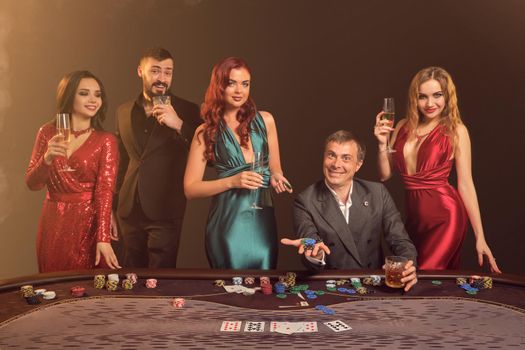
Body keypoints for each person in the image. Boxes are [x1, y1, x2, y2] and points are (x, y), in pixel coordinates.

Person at [374, 66, 501, 272]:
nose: (430, 103)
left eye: (437, 95)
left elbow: (466, 184)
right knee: (417, 280)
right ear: (414, 98)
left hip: (446, 217)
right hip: (414, 220)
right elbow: (385, 175)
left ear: (448, 96)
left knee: (423, 277)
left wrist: (480, 237)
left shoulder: (456, 130)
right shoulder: (402, 126)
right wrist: (382, 144)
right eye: (422, 97)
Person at [184, 57, 292, 269]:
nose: (239, 90)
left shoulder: (266, 120)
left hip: (262, 220)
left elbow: (275, 167)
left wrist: (277, 177)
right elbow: (190, 189)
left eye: (245, 84)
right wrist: (232, 181)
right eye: (231, 83)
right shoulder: (205, 132)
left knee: (264, 289)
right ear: (219, 86)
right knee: (231, 292)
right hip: (227, 226)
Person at [281, 130, 418, 291]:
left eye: (346, 158)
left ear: (358, 165)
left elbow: (400, 240)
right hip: (331, 288)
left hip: (374, 286)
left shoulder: (377, 193)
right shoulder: (305, 201)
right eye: (331, 155)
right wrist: (316, 253)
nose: (336, 164)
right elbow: (311, 241)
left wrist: (408, 265)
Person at [25, 70, 120, 272]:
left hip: (88, 223)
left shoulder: (106, 140)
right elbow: (33, 184)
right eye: (84, 93)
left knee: (84, 289)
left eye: (98, 94)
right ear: (68, 97)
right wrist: (47, 159)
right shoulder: (47, 132)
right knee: (51, 286)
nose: (93, 99)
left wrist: (103, 238)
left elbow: (104, 191)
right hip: (53, 222)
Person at [115, 47, 201, 268]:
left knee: (159, 282)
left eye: (168, 72)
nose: (162, 78)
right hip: (128, 211)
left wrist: (179, 125)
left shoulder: (189, 110)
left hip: (165, 212)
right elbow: (122, 162)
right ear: (140, 71)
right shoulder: (123, 111)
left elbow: (209, 156)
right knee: (129, 280)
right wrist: (113, 209)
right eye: (155, 71)